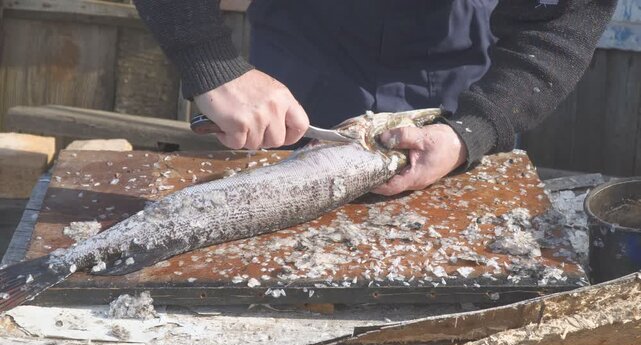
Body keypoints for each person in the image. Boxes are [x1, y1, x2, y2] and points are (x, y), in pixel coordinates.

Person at [134, 0, 616, 196]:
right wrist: (212, 65)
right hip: (297, 62)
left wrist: (473, 130)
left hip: (458, 81)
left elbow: (561, 17)